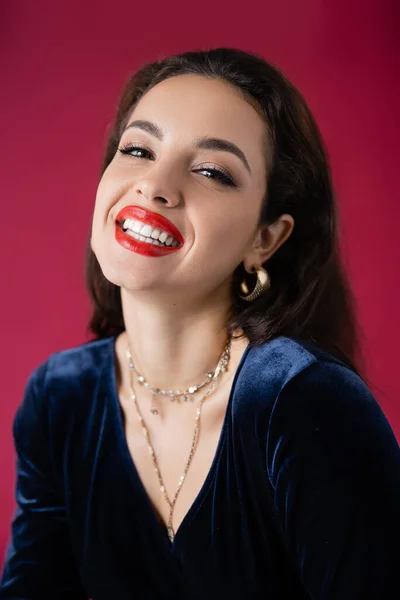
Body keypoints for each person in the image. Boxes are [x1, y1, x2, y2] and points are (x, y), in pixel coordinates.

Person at [0, 47, 399, 600]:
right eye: (138, 149)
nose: (156, 186)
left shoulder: (302, 401)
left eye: (212, 170)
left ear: (266, 239)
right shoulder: (58, 398)